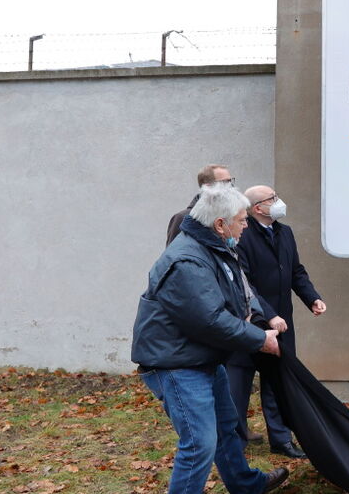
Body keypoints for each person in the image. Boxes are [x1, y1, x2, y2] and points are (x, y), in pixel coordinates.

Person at [132, 183, 290, 493]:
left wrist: (251, 320)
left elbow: (232, 295)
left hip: (201, 356)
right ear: (220, 223)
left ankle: (245, 485)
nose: (245, 226)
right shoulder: (187, 261)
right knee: (199, 444)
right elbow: (209, 320)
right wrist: (259, 338)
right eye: (242, 220)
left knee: (225, 428)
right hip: (176, 363)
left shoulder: (214, 247)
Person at [228, 185, 327, 458]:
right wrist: (268, 314)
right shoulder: (243, 236)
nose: (278, 201)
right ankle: (235, 443)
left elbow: (296, 271)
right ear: (258, 207)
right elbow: (244, 283)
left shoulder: (285, 232)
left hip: (282, 322)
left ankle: (281, 440)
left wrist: (312, 298)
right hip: (250, 322)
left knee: (278, 383)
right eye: (272, 198)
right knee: (239, 384)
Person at [166, 164, 234, 246]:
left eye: (230, 181)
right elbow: (174, 256)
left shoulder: (230, 215)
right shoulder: (182, 218)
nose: (231, 187)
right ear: (208, 187)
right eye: (225, 182)